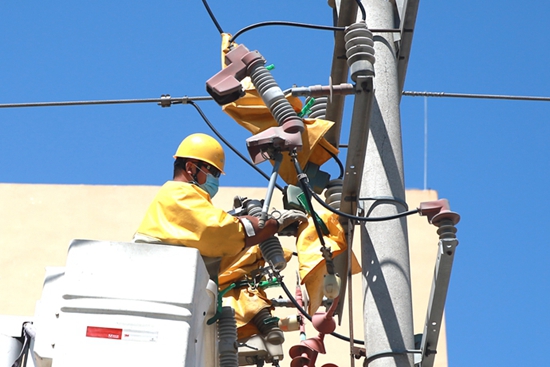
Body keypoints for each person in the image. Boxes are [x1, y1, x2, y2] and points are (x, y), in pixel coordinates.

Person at [133, 133, 307, 342]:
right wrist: (272, 223)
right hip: (158, 296)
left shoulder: (191, 205)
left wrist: (257, 238)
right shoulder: (178, 193)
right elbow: (223, 231)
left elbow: (219, 253)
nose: (216, 179)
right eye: (213, 171)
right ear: (190, 168)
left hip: (168, 300)